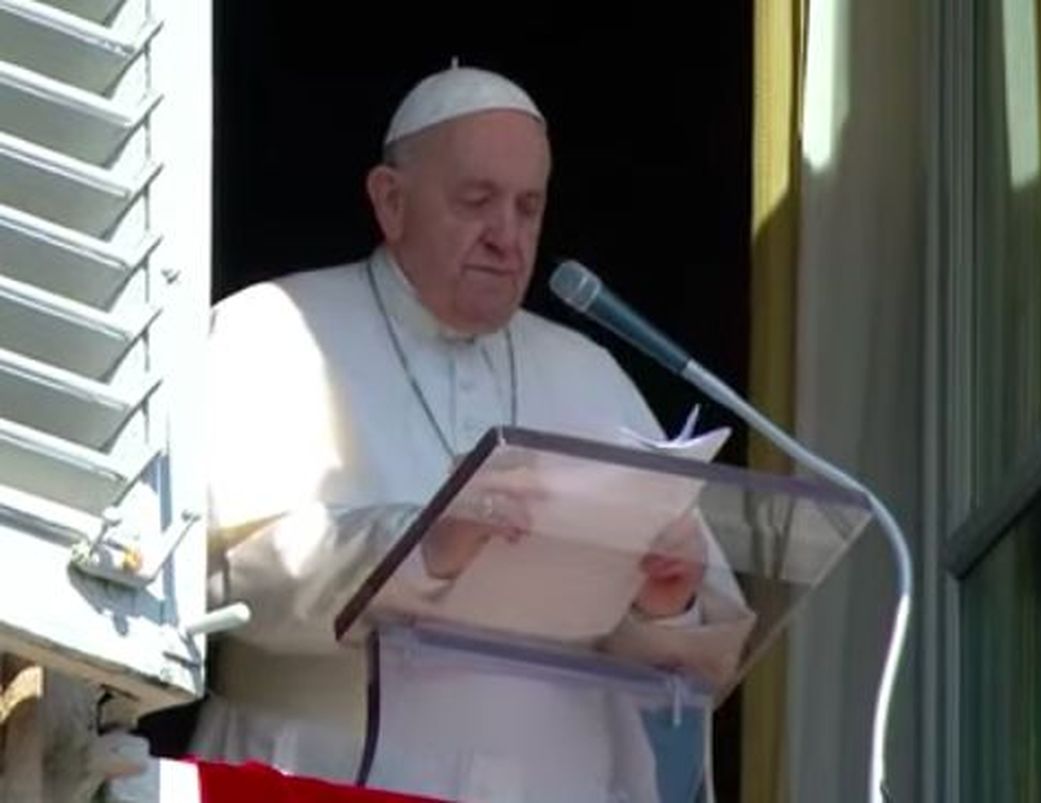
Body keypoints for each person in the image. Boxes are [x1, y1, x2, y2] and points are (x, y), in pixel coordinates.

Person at [191, 65, 753, 802]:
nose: (506, 237)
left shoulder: (590, 372)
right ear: (391, 201)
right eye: (477, 201)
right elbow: (225, 574)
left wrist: (667, 602)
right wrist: (421, 545)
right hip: (323, 774)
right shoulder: (270, 330)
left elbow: (697, 669)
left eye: (528, 207)